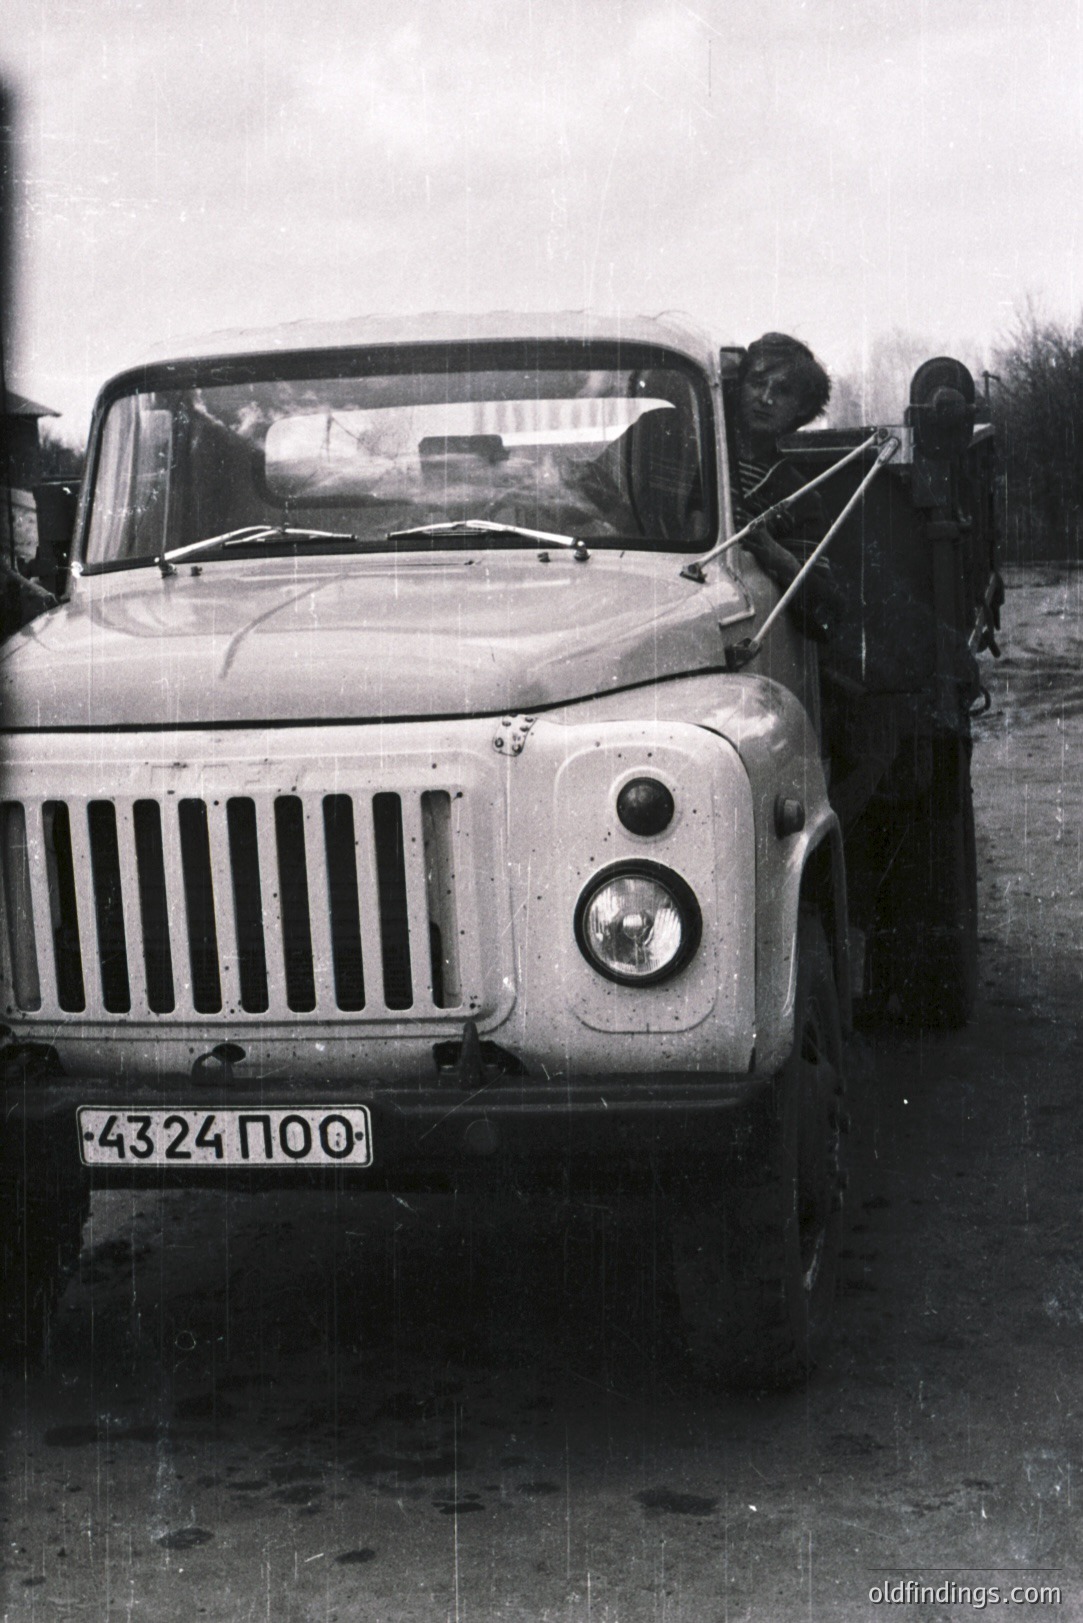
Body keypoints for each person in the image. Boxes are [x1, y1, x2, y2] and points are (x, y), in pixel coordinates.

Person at [732, 333, 839, 641]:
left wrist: (774, 554)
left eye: (782, 391)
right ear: (738, 386)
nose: (765, 398)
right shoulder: (672, 442)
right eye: (756, 382)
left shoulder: (800, 498)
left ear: (801, 410)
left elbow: (826, 612)